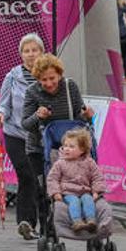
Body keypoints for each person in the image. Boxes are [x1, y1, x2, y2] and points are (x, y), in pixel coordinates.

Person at [21, 53, 94, 236]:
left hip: (70, 150)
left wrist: (87, 115)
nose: (49, 83)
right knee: (45, 189)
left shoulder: (70, 87)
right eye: (43, 80)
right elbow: (25, 124)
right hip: (39, 149)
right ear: (37, 79)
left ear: (59, 74)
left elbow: (80, 117)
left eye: (52, 78)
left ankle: (80, 219)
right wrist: (38, 115)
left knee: (72, 187)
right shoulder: (32, 92)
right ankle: (47, 230)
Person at [0, 33, 46, 240]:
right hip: (15, 133)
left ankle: (47, 224)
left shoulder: (50, 75)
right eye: (26, 51)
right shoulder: (12, 76)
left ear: (42, 52)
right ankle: (26, 221)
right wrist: (0, 113)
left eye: (35, 50)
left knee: (43, 180)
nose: (31, 54)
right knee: (27, 175)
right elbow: (3, 102)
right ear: (20, 54)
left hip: (42, 136)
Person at [46, 128, 105, 233]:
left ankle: (91, 220)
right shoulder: (60, 163)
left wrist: (96, 191)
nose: (67, 149)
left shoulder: (89, 162)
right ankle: (77, 221)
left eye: (71, 147)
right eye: (65, 146)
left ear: (82, 150)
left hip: (85, 191)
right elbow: (52, 179)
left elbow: (97, 177)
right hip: (68, 192)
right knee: (74, 201)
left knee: (88, 199)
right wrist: (55, 193)